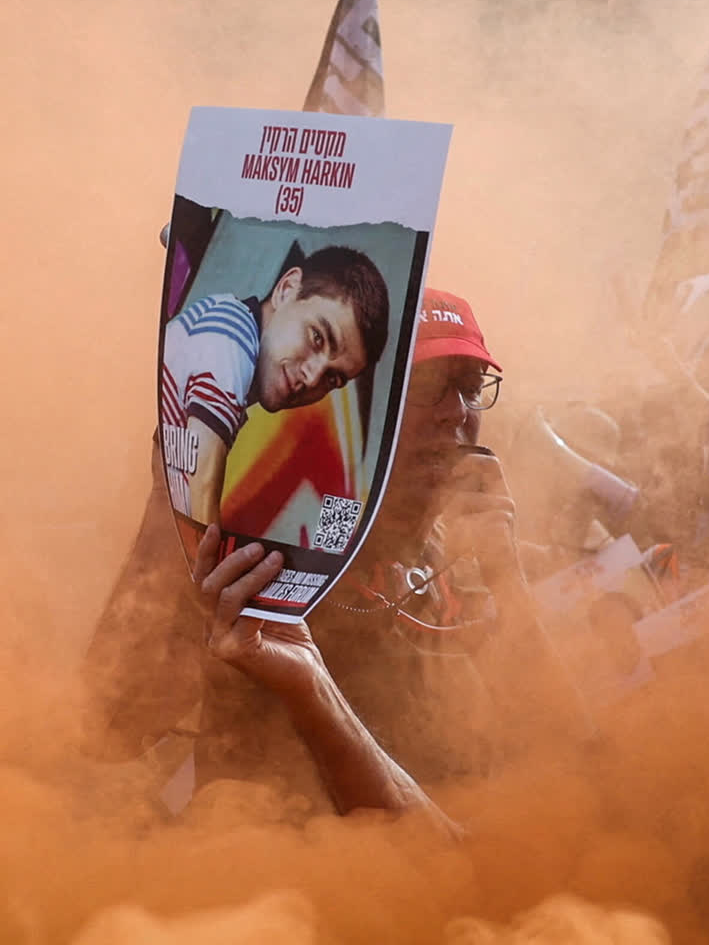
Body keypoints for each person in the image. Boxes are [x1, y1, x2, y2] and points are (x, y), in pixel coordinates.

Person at [83, 287, 577, 818]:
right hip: (278, 884)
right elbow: (110, 731)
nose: (456, 411)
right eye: (426, 386)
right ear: (356, 408)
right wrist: (171, 496)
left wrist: (507, 578)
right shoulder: (271, 551)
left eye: (470, 387)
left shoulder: (467, 555)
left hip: (452, 883)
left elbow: (573, 766)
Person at [161, 246, 389, 523]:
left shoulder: (224, 324)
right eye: (317, 336)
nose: (312, 377)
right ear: (287, 289)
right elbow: (200, 506)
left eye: (333, 378)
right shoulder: (232, 336)